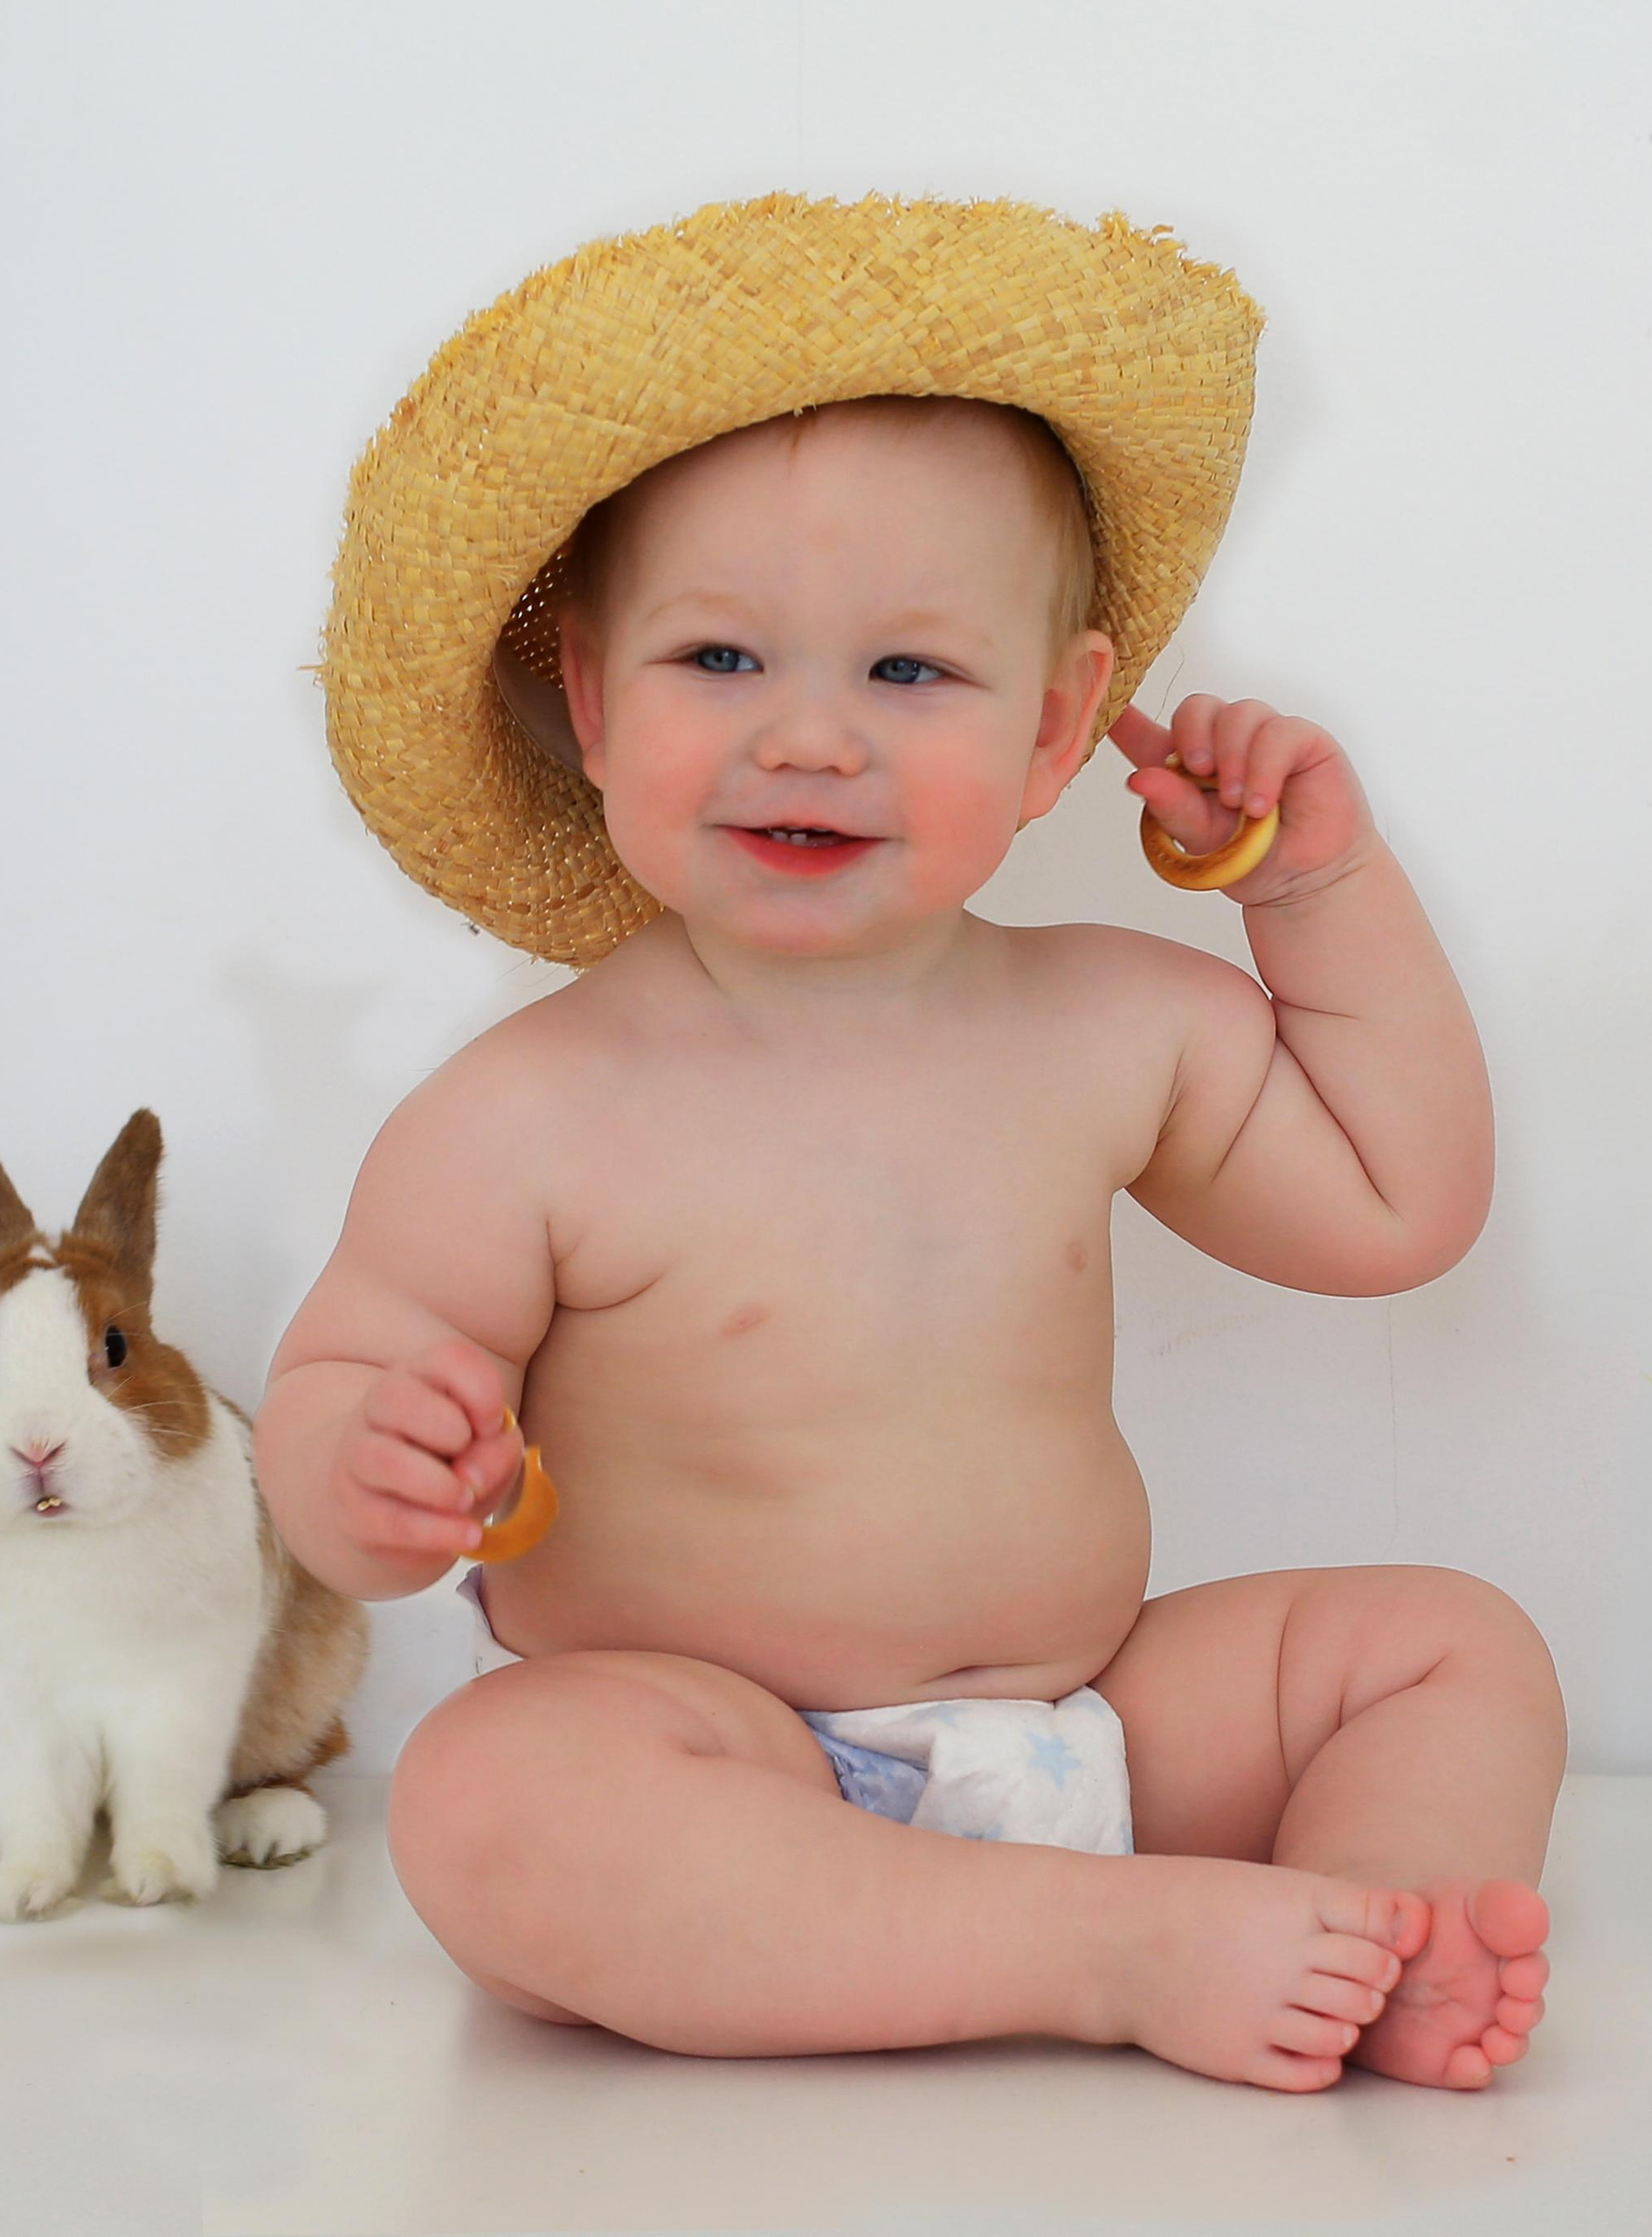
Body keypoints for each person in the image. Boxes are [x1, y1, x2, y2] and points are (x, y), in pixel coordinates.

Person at [255, 193, 1566, 2095]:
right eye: (718, 661)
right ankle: (1112, 1950)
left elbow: (1395, 1205)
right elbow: (350, 1381)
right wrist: (360, 1469)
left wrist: (1321, 890)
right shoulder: (523, 1112)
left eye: (904, 673)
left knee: (1450, 1645)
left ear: (1052, 736)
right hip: (715, 1756)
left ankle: (1378, 1932)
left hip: (1087, 1718)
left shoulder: (1114, 1020)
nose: (807, 737)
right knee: (486, 1793)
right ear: (592, 707)